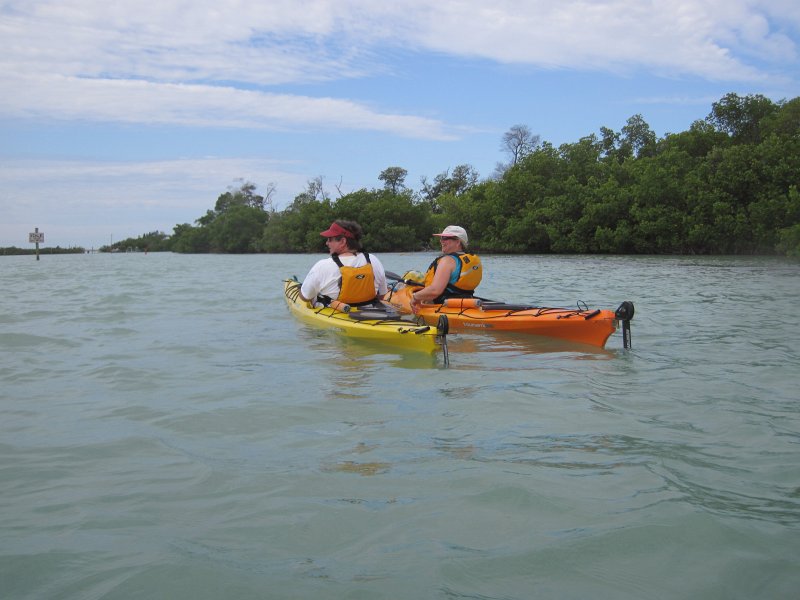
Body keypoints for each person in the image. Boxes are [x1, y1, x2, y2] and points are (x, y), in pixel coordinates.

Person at [300, 220, 388, 308]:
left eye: (330, 239)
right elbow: (382, 295)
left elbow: (304, 297)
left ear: (342, 242)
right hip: (370, 314)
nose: (327, 243)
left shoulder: (323, 266)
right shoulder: (373, 260)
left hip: (336, 315)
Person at [410, 225, 482, 311]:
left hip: (444, 306)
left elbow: (435, 290)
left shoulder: (447, 261)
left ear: (458, 242)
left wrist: (415, 297)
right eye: (441, 238)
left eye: (446, 238)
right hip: (468, 302)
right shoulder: (470, 259)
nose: (441, 241)